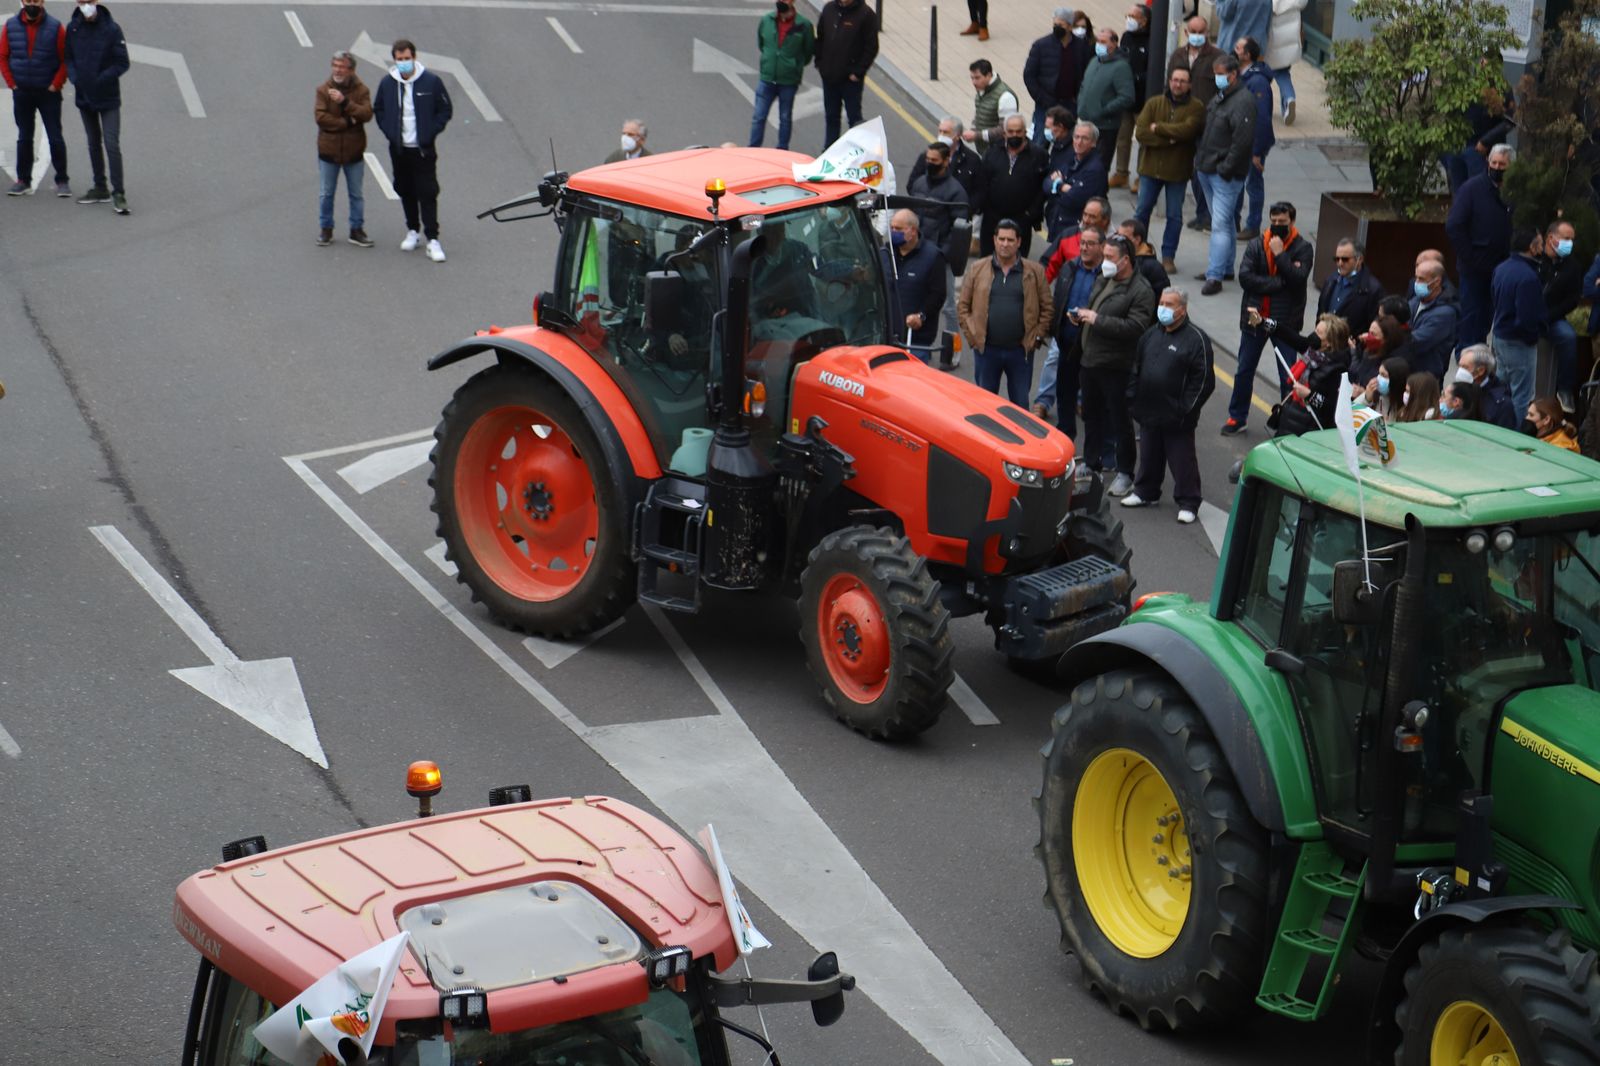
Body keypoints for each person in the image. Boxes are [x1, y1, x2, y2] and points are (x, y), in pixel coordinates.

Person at [1121, 287, 1214, 522]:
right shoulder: (1151, 334)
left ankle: (1189, 502)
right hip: (1148, 410)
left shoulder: (1197, 340)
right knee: (1149, 455)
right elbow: (1136, 366)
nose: (1163, 308)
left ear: (1182, 310)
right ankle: (1145, 492)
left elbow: (1203, 382)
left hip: (1177, 416)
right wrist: (1133, 397)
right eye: (1161, 303)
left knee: (1182, 460)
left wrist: (1185, 409)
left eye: (1169, 304)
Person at [1221, 201, 1312, 434]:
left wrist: (1280, 255)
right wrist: (1278, 283)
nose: (1277, 226)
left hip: (1285, 322)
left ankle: (1288, 423)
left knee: (1289, 376)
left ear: (1292, 221)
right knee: (1244, 369)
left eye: (1282, 222)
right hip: (1255, 318)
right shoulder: (1256, 245)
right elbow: (1246, 278)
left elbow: (1297, 279)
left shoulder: (1303, 248)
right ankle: (1237, 417)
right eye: (1273, 222)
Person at [1077, 233, 1155, 495]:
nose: (1104, 261)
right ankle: (1091, 463)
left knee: (1119, 421)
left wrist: (1097, 320)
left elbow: (1136, 327)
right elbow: (1094, 308)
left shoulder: (1141, 290)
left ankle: (1125, 472)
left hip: (1116, 366)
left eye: (1110, 257)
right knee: (1091, 415)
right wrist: (1082, 318)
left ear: (1125, 261)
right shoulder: (1104, 278)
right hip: (1090, 361)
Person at [373, 38, 452, 262]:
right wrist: (390, 131)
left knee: (427, 191)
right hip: (399, 149)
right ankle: (413, 230)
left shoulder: (430, 82)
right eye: (400, 59)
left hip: (423, 150)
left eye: (407, 58)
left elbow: (445, 109)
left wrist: (430, 133)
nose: (404, 63)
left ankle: (433, 239)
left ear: (414, 58)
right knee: (405, 188)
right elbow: (379, 109)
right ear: (395, 60)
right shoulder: (388, 83)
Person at [958, 218, 1053, 406]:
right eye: (1001, 239)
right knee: (984, 407)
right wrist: (974, 336)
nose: (1005, 244)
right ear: (994, 240)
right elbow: (963, 307)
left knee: (1020, 407)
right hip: (987, 351)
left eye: (1010, 240)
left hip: (1020, 352)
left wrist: (1036, 338)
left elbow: (1047, 308)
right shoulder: (977, 269)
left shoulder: (1034, 272)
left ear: (1019, 242)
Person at [1193, 55, 1256, 296]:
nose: (1216, 78)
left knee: (1219, 224)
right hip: (1208, 168)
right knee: (1225, 221)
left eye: (1220, 74)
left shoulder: (1243, 101)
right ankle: (1224, 268)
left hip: (1223, 174)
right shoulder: (1221, 96)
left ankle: (1215, 275)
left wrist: (1226, 168)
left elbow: (1242, 141)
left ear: (1233, 75)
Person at [1133, 65, 1204, 275]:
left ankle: (1168, 256)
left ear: (1189, 84)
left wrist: (1160, 128)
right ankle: (1138, 250)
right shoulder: (1155, 103)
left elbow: (1188, 130)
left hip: (1177, 172)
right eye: (1175, 80)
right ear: (1169, 81)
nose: (1178, 84)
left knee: (1174, 216)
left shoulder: (1196, 107)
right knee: (1141, 212)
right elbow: (1142, 133)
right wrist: (1172, 140)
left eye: (1182, 81)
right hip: (1150, 169)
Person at [1035, 225, 1104, 435]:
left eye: (1090, 244)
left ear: (1102, 246)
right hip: (1067, 344)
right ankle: (1065, 438)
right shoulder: (1070, 267)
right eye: (1082, 243)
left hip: (1093, 348)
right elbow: (1059, 300)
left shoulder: (1107, 276)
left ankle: (1097, 453)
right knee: (1065, 394)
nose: (1084, 248)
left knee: (1093, 401)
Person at [1445, 142, 1514, 349]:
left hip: (1501, 266)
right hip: (1474, 267)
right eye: (1494, 163)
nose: (1497, 167)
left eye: (1503, 164)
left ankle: (1481, 356)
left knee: (1488, 315)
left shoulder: (1514, 191)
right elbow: (1455, 225)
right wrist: (1470, 257)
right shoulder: (1472, 189)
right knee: (1471, 316)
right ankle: (1466, 356)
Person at [62, 0, 126, 213]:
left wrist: (101, 79)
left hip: (108, 97)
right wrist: (74, 77)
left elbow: (122, 62)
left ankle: (119, 192)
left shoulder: (111, 28)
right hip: (85, 96)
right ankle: (100, 186)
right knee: (93, 143)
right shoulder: (73, 27)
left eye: (89, 1)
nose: (86, 6)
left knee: (111, 143)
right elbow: (68, 57)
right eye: (82, 2)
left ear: (96, 2)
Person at [2, 0, 70, 198]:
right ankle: (23, 180)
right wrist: (11, 83)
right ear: (23, 2)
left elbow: (65, 58)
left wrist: (56, 84)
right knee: (24, 136)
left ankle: (62, 180)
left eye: (36, 1)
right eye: (29, 0)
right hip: (22, 91)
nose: (33, 4)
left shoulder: (55, 27)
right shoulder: (11, 26)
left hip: (48, 92)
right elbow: (3, 55)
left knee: (55, 136)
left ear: (42, 2)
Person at [314, 50, 374, 248]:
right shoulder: (323, 90)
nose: (338, 70)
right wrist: (348, 122)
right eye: (335, 66)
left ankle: (356, 230)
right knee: (326, 193)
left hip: (353, 151)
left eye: (342, 67)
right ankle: (326, 229)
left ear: (351, 70)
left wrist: (345, 102)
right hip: (328, 151)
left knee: (356, 194)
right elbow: (321, 118)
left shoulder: (361, 90)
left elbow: (366, 114)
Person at [1262, 311, 1353, 436]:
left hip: (1307, 432)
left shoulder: (1337, 370)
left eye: (1319, 333)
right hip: (1289, 421)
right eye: (1315, 330)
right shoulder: (1312, 353)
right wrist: (1264, 322)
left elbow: (1332, 407)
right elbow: (1291, 336)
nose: (1313, 335)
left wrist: (1309, 395)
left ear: (1330, 342)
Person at [1488, 223, 1546, 416]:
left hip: (1500, 336)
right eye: (1540, 243)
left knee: (1501, 392)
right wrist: (1532, 337)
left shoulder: (1502, 268)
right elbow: (1527, 317)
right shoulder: (1528, 277)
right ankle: (1518, 437)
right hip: (1518, 342)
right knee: (1521, 396)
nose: (1543, 247)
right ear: (1532, 247)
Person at [972, 113, 1047, 256]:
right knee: (988, 261)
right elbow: (982, 181)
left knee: (1016, 265)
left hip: (1021, 220)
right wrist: (984, 207)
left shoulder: (1038, 155)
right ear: (1004, 134)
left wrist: (1030, 214)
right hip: (992, 219)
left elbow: (1041, 189)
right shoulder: (993, 152)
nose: (1015, 135)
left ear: (1025, 132)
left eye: (1019, 131)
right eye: (1011, 132)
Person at [749, 0, 814, 151]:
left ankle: (782, 150)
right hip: (767, 78)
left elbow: (808, 52)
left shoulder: (804, 25)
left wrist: (793, 65)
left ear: (792, 2)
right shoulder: (767, 20)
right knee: (759, 116)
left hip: (788, 80)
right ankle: (753, 149)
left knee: (785, 118)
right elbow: (761, 43)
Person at [1442, 57, 1515, 194]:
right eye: (1482, 64)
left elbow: (1510, 121)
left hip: (1481, 149)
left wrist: (1485, 142)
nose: (1483, 69)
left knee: (1478, 190)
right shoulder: (1468, 86)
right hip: (1460, 146)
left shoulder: (1503, 90)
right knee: (1459, 191)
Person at [884, 209, 947, 362]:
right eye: (891, 228)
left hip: (916, 341)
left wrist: (921, 316)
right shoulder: (885, 252)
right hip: (886, 337)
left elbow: (938, 294)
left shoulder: (933, 257)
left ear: (912, 231)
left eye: (898, 229)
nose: (893, 232)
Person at [814, 0, 877, 149]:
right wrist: (820, 63)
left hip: (850, 80)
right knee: (831, 117)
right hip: (829, 76)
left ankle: (859, 153)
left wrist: (858, 72)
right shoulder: (829, 9)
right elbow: (820, 36)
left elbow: (871, 47)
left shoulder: (866, 15)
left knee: (854, 119)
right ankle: (829, 151)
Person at [1231, 37, 1275, 242]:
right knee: (1238, 182)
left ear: (1247, 55)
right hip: (1241, 140)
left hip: (1253, 143)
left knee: (1253, 184)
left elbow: (1263, 119)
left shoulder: (1257, 82)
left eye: (1238, 48)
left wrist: (1257, 152)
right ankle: (1235, 220)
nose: (1234, 49)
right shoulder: (1242, 75)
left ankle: (1253, 225)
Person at [1537, 219, 1582, 405]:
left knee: (1569, 337)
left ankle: (1564, 391)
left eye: (1572, 240)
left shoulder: (1572, 267)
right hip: (1527, 316)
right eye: (1566, 238)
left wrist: (1549, 316)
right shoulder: (1536, 259)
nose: (1569, 244)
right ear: (1550, 238)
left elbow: (1572, 300)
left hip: (1552, 318)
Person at [1076, 28, 1133, 172]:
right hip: (1087, 123)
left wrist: (1104, 110)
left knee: (1099, 167)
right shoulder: (1095, 61)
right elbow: (1084, 86)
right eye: (1098, 41)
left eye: (1103, 42)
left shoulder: (1121, 67)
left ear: (1113, 44)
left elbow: (1127, 97)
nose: (1098, 45)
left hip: (1105, 127)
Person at [1042, 118, 1107, 245]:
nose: (1079, 142)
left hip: (1075, 232)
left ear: (1093, 143)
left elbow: (1073, 199)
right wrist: (1063, 187)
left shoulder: (1094, 169)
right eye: (1076, 137)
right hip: (1058, 226)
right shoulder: (1070, 159)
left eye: (1084, 138)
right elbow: (1046, 184)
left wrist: (1057, 185)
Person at [1023, 8, 1079, 145]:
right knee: (1039, 143)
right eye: (1055, 25)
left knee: (1068, 143)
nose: (1057, 28)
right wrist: (1042, 98)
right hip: (1045, 105)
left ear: (1070, 26)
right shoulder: (1041, 45)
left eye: (1061, 25)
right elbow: (1029, 75)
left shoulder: (1080, 46)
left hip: (1070, 105)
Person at [1112, 4, 1151, 190]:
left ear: (1144, 20)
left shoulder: (1153, 39)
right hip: (1125, 97)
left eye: (1133, 16)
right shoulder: (1127, 37)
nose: (1129, 19)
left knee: (1143, 139)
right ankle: (1121, 173)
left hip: (1143, 99)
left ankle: (1142, 177)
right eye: (1128, 15)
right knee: (1122, 137)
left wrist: (1136, 77)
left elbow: (1153, 70)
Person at [907, 140, 969, 255]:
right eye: (928, 159)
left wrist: (942, 253)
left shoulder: (956, 192)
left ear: (945, 161)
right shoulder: (919, 183)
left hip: (936, 251)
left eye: (934, 160)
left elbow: (957, 230)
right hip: (914, 248)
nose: (929, 163)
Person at [1317, 239, 1383, 345]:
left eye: (1345, 259)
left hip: (1349, 352)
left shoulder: (1373, 290)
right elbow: (1321, 312)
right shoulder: (1331, 280)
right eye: (1336, 259)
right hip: (1325, 346)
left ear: (1359, 259)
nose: (1340, 263)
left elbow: (1373, 327)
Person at [1407, 257, 1459, 380]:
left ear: (1436, 282)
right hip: (1409, 370)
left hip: (1426, 378)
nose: (1416, 283)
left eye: (1421, 279)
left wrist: (1388, 337)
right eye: (1416, 277)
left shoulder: (1445, 314)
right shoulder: (1414, 302)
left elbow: (1416, 342)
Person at [907, 117, 981, 198]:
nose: (941, 135)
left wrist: (963, 208)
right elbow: (912, 184)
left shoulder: (972, 159)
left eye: (946, 132)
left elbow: (979, 191)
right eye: (940, 131)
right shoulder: (927, 156)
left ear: (958, 136)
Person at [962, 58, 1021, 151]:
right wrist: (973, 130)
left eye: (977, 78)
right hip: (985, 151)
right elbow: (979, 114)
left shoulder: (1006, 97)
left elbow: (1005, 129)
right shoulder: (982, 90)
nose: (973, 82)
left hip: (999, 152)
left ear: (989, 75)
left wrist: (977, 135)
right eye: (972, 78)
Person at [1455, 343, 1516, 429]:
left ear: (1481, 370)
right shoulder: (1458, 390)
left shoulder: (1501, 404)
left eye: (1465, 367)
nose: (1460, 371)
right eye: (1459, 366)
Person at [1266, 0, 1305, 123]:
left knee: (1263, 75)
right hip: (1290, 39)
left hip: (1273, 40)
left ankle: (1265, 107)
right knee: (1283, 73)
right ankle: (1289, 98)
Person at [1349, 313, 1407, 390]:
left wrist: (1364, 393)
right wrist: (1354, 351)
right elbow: (1357, 374)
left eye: (1373, 334)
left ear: (1386, 339)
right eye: (1369, 332)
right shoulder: (1368, 352)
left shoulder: (1393, 364)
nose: (1368, 337)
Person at [1215, 0, 1271, 73]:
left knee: (1230, 78)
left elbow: (1223, 13)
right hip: (1257, 46)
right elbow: (1268, 21)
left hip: (1234, 47)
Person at [1119, 217, 1171, 295]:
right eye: (1117, 236)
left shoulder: (1153, 268)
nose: (1118, 240)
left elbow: (1161, 296)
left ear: (1137, 239)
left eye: (1123, 237)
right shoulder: (1118, 257)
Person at [1363, 354, 1410, 419]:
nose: (1378, 378)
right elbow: (1354, 413)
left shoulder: (1405, 402)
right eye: (1379, 374)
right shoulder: (1372, 393)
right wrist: (1367, 400)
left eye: (1384, 375)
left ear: (1395, 379)